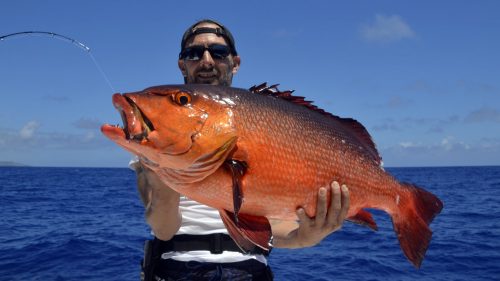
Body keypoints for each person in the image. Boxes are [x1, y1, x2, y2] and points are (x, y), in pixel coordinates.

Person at [130, 19, 350, 281]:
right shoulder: (160, 133)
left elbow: (274, 230)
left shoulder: (266, 125)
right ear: (182, 64)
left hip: (249, 269)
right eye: (194, 53)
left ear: (235, 62)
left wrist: (305, 236)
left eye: (219, 52)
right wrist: (160, 170)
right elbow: (164, 229)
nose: (207, 61)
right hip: (177, 267)